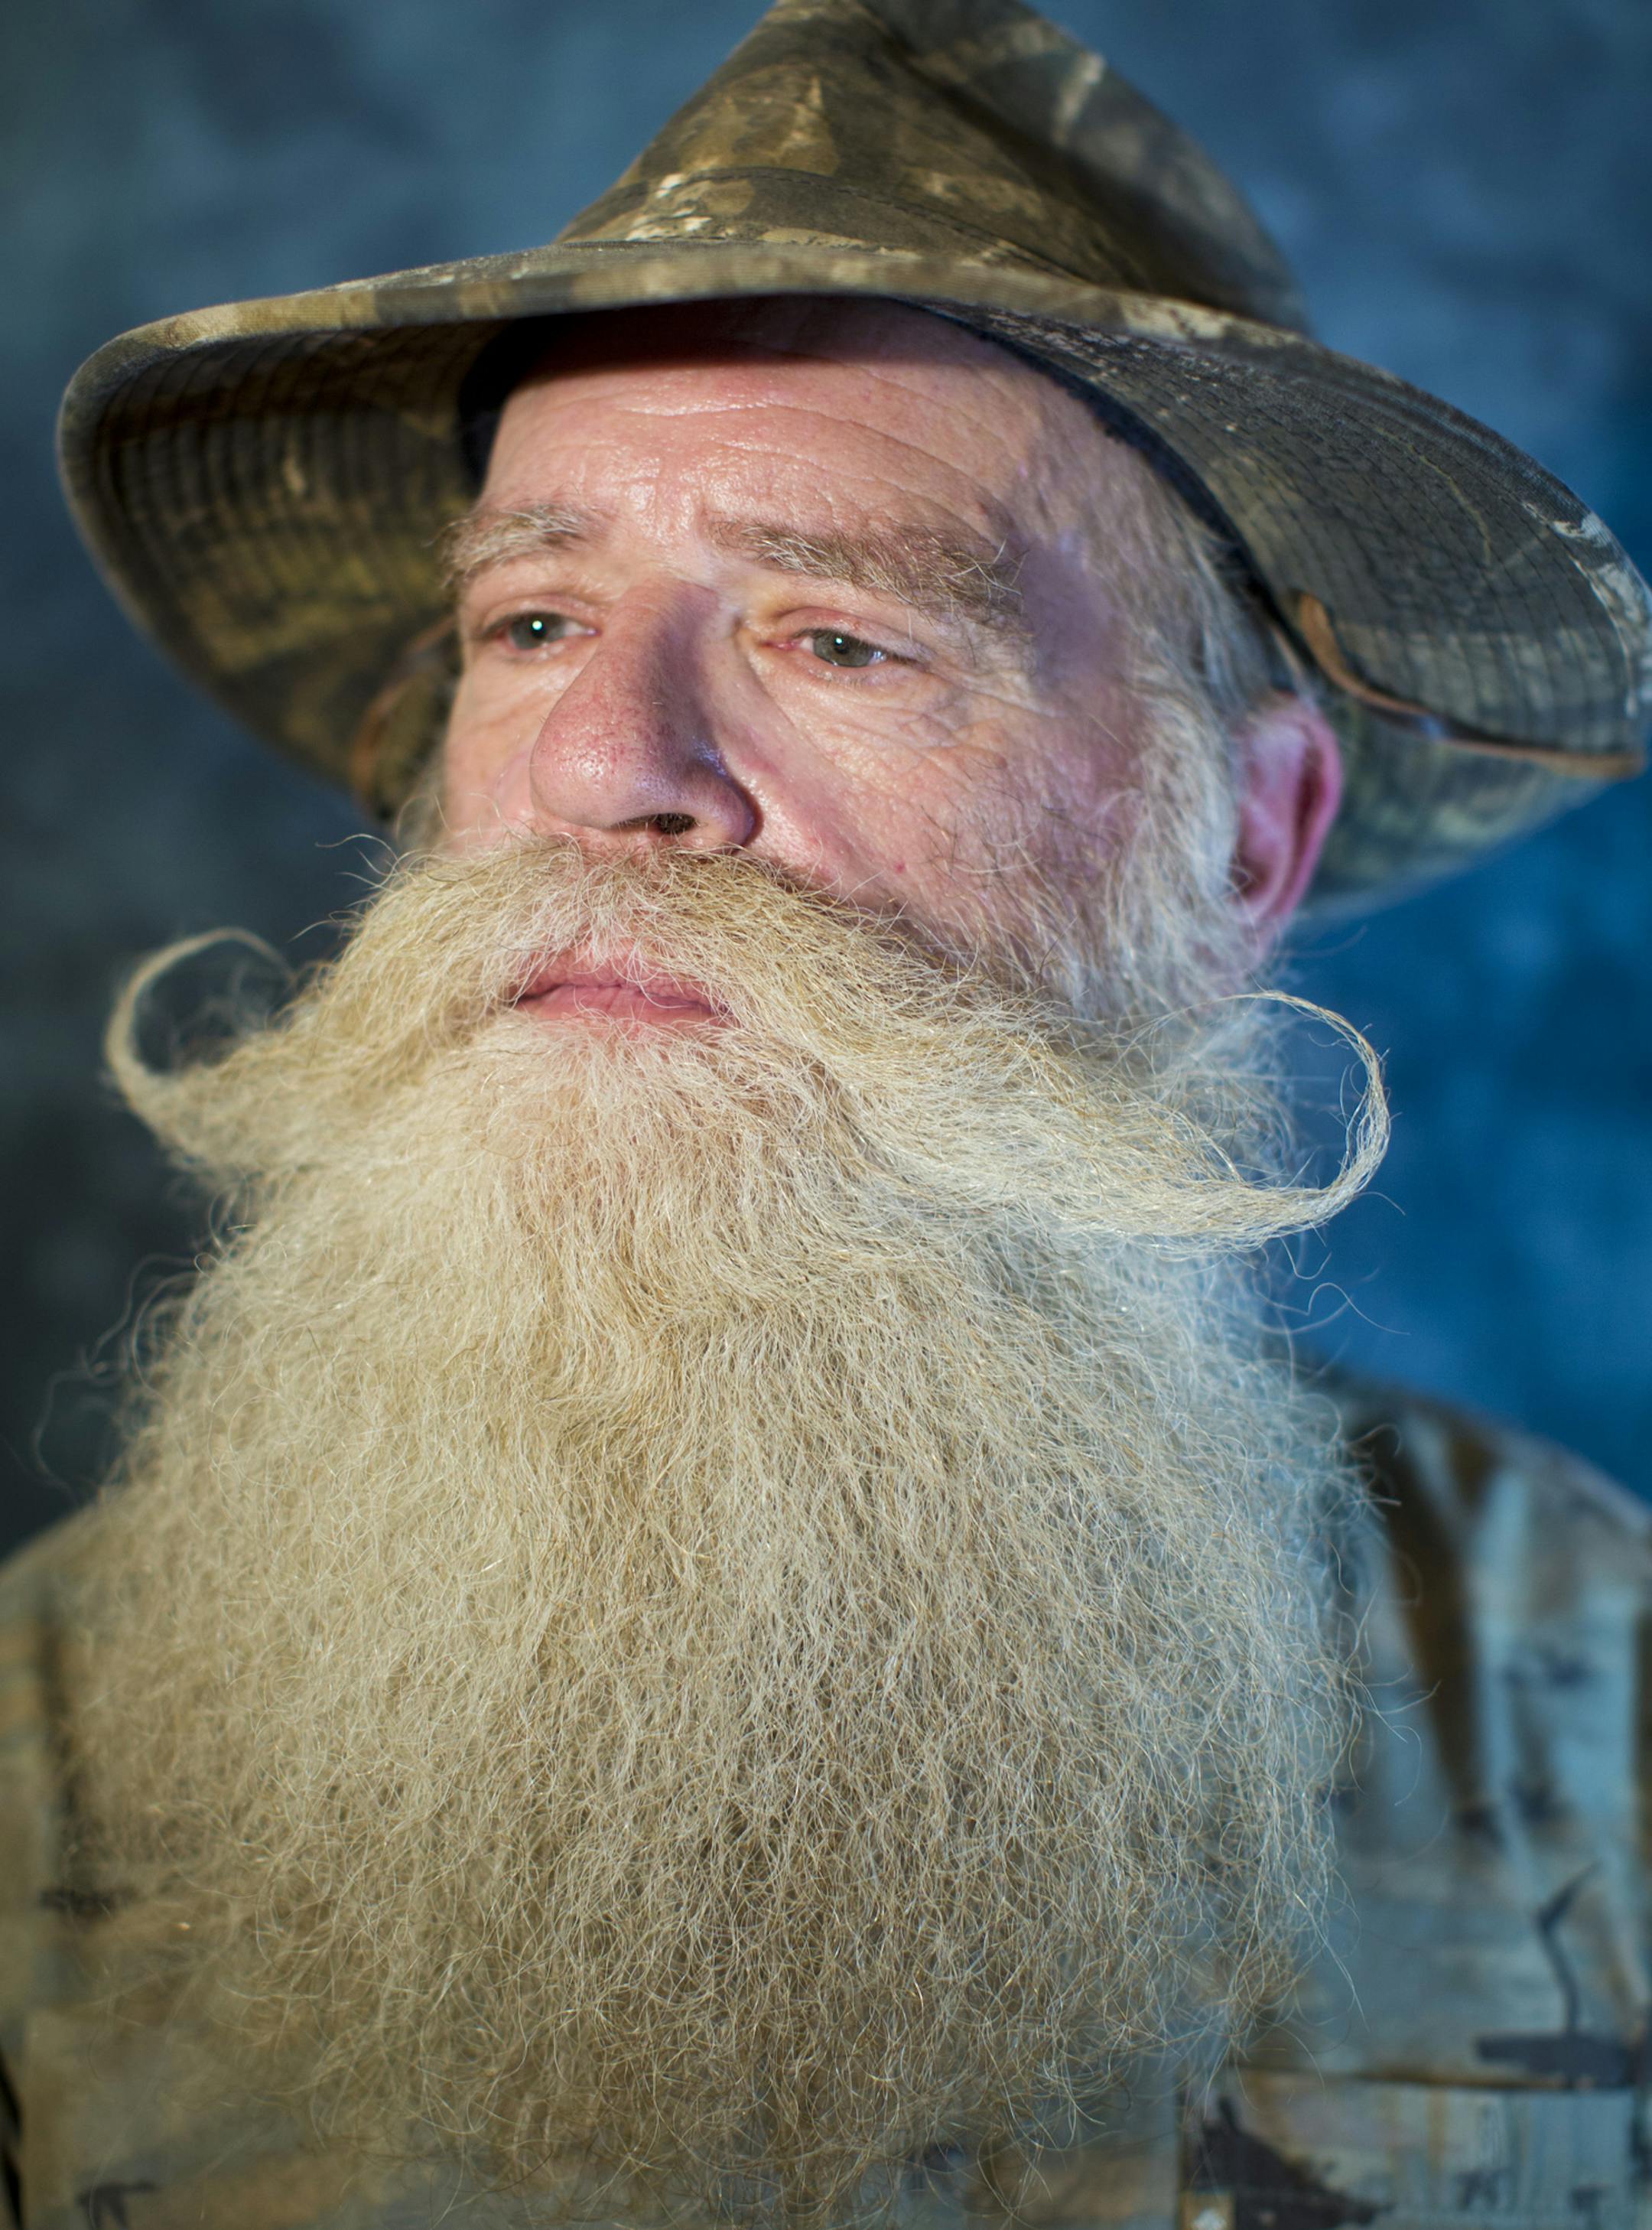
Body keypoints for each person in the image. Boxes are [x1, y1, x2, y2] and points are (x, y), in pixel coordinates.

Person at [6, 2, 1649, 2225]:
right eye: (536, 615)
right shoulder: (36, 1775)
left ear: (1246, 847)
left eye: (840, 638)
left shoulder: (1602, 1711)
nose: (606, 770)